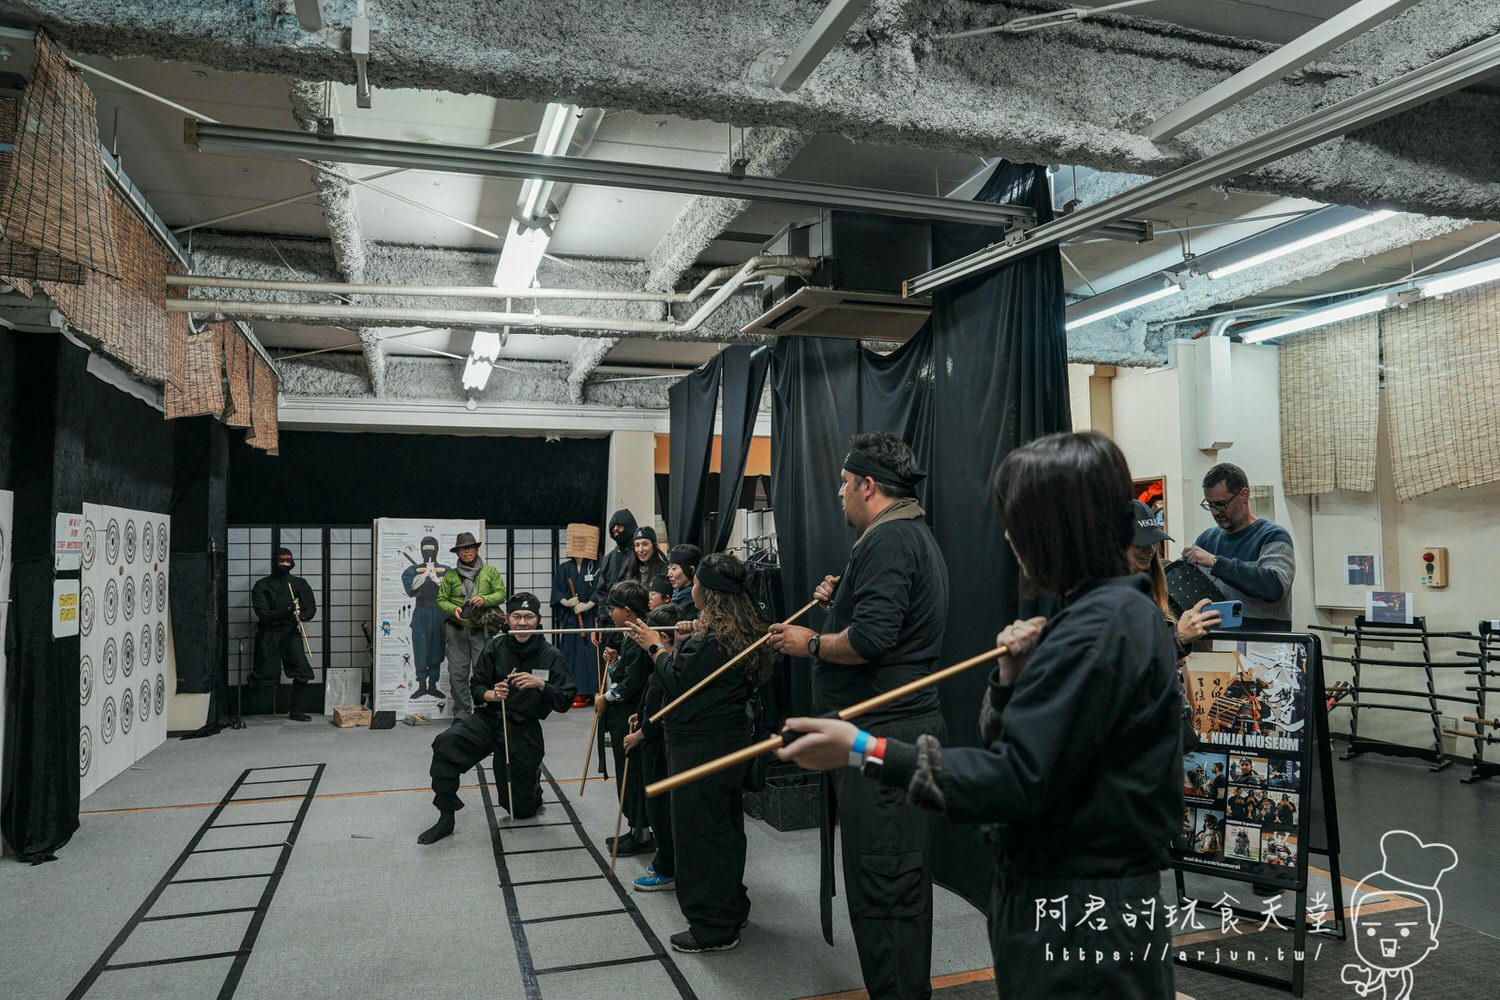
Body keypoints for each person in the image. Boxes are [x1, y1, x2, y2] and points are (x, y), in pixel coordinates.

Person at [776, 431, 1182, 1000]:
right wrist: (1014, 682)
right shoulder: (1100, 616)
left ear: (1057, 526)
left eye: (1018, 519)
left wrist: (862, 749)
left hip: (1083, 912)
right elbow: (1040, 751)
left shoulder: (1103, 628)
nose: (1011, 536)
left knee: (889, 888)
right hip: (1066, 899)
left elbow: (1014, 780)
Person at [767, 431, 949, 1000]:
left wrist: (811, 644)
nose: (840, 495)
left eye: (845, 485)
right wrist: (842, 597)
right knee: (889, 881)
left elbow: (871, 639)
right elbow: (882, 619)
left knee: (886, 886)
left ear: (868, 485)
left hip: (888, 733)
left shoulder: (889, 541)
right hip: (893, 733)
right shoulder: (901, 535)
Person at [626, 553, 771, 954]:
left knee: (700, 835)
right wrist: (684, 642)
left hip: (701, 749)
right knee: (723, 830)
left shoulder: (715, 639)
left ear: (706, 591)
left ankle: (713, 927)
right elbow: (700, 673)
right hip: (725, 742)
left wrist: (656, 647)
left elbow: (678, 680)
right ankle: (729, 908)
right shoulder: (734, 628)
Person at [417, 594, 575, 842]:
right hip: (489, 719)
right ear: (508, 619)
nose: (522, 623)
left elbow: (565, 700)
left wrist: (542, 685)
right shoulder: (496, 645)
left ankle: (532, 785)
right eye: (517, 617)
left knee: (519, 810)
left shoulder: (551, 655)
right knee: (446, 743)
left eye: (528, 617)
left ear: (538, 620)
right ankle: (445, 817)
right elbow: (477, 684)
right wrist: (490, 694)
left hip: (523, 727)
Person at [1182, 463, 1295, 631]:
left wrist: (1215, 562)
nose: (1214, 512)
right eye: (1210, 505)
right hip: (1216, 642)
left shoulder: (1273, 536)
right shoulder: (1206, 540)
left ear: (1244, 495)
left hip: (1263, 647)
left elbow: (1273, 587)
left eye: (1220, 504)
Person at [628, 603, 684, 893]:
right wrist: (641, 713)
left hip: (661, 749)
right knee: (659, 806)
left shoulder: (671, 666)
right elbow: (653, 703)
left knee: (661, 808)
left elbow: (665, 712)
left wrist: (639, 735)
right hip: (656, 744)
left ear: (662, 636)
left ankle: (667, 868)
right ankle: (666, 859)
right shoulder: (665, 663)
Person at [598, 580, 653, 856]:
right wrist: (616, 660)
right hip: (625, 713)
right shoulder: (629, 634)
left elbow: (633, 682)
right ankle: (635, 827)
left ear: (629, 611)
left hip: (633, 714)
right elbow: (626, 671)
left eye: (614, 608)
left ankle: (641, 832)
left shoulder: (640, 636)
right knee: (625, 773)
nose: (610, 614)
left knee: (633, 775)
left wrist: (605, 697)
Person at [1126, 499, 1220, 657]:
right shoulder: (1102, 598)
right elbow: (1126, 663)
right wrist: (1179, 636)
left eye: (1154, 542)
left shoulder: (1164, 577)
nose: (1150, 550)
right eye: (1141, 545)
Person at [436, 532, 506, 719]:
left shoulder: (490, 572)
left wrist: (484, 599)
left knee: (483, 672)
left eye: (470, 547)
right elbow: (441, 600)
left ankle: (485, 711)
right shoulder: (450, 576)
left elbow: (501, 594)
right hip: (456, 629)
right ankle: (462, 713)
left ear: (476, 549)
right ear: (457, 553)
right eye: (462, 548)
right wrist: (453, 609)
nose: (467, 551)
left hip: (481, 630)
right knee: (457, 673)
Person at [249, 546, 317, 721]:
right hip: (268, 633)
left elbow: (311, 607)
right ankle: (248, 709)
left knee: (302, 670)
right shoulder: (261, 585)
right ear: (275, 562)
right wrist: (287, 609)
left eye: (288, 561)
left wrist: (301, 615)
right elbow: (263, 614)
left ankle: (296, 710)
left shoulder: (299, 583)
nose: (285, 564)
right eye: (281, 561)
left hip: (289, 632)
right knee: (264, 673)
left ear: (292, 563)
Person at [552, 525, 602, 708]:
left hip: (589, 620)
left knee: (590, 655)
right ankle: (573, 692)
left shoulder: (597, 567)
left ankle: (590, 691)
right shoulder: (564, 568)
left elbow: (601, 590)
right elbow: (557, 591)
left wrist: (587, 604)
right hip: (571, 620)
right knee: (570, 655)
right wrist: (567, 602)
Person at [402, 535, 450, 702]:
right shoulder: (413, 570)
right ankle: (422, 685)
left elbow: (451, 590)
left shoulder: (446, 569)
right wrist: (423, 576)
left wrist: (436, 579)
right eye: (425, 549)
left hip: (439, 612)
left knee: (437, 647)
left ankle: (433, 686)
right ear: (421, 550)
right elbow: (410, 589)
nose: (429, 552)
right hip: (421, 611)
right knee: (420, 648)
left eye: (431, 549)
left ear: (436, 549)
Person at [597, 509, 641, 599]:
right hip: (609, 610)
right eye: (613, 526)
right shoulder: (608, 558)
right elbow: (601, 590)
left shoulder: (640, 554)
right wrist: (604, 612)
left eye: (620, 526)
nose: (616, 529)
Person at [665, 544, 700, 615]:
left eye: (674, 568)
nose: (669, 574)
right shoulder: (676, 596)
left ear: (691, 570)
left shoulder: (696, 602)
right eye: (669, 568)